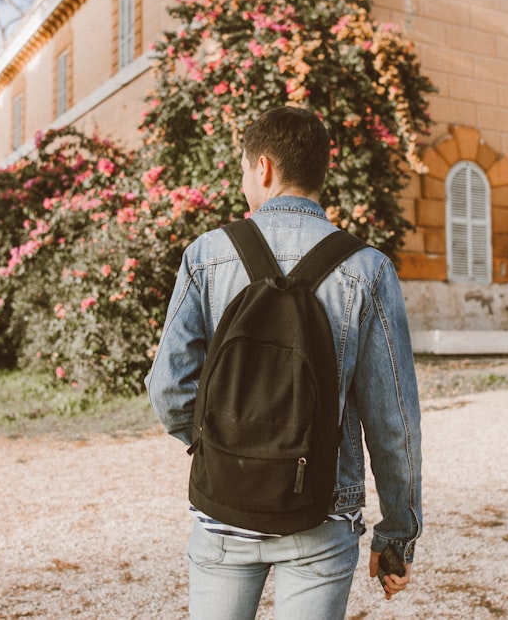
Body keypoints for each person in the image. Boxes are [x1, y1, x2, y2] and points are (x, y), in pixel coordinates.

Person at [146, 106, 422, 619]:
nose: (245, 181)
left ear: (265, 167)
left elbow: (167, 387)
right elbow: (393, 423)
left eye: (245, 170)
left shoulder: (206, 254)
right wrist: (398, 532)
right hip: (321, 512)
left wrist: (222, 447)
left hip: (224, 512)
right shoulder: (368, 268)